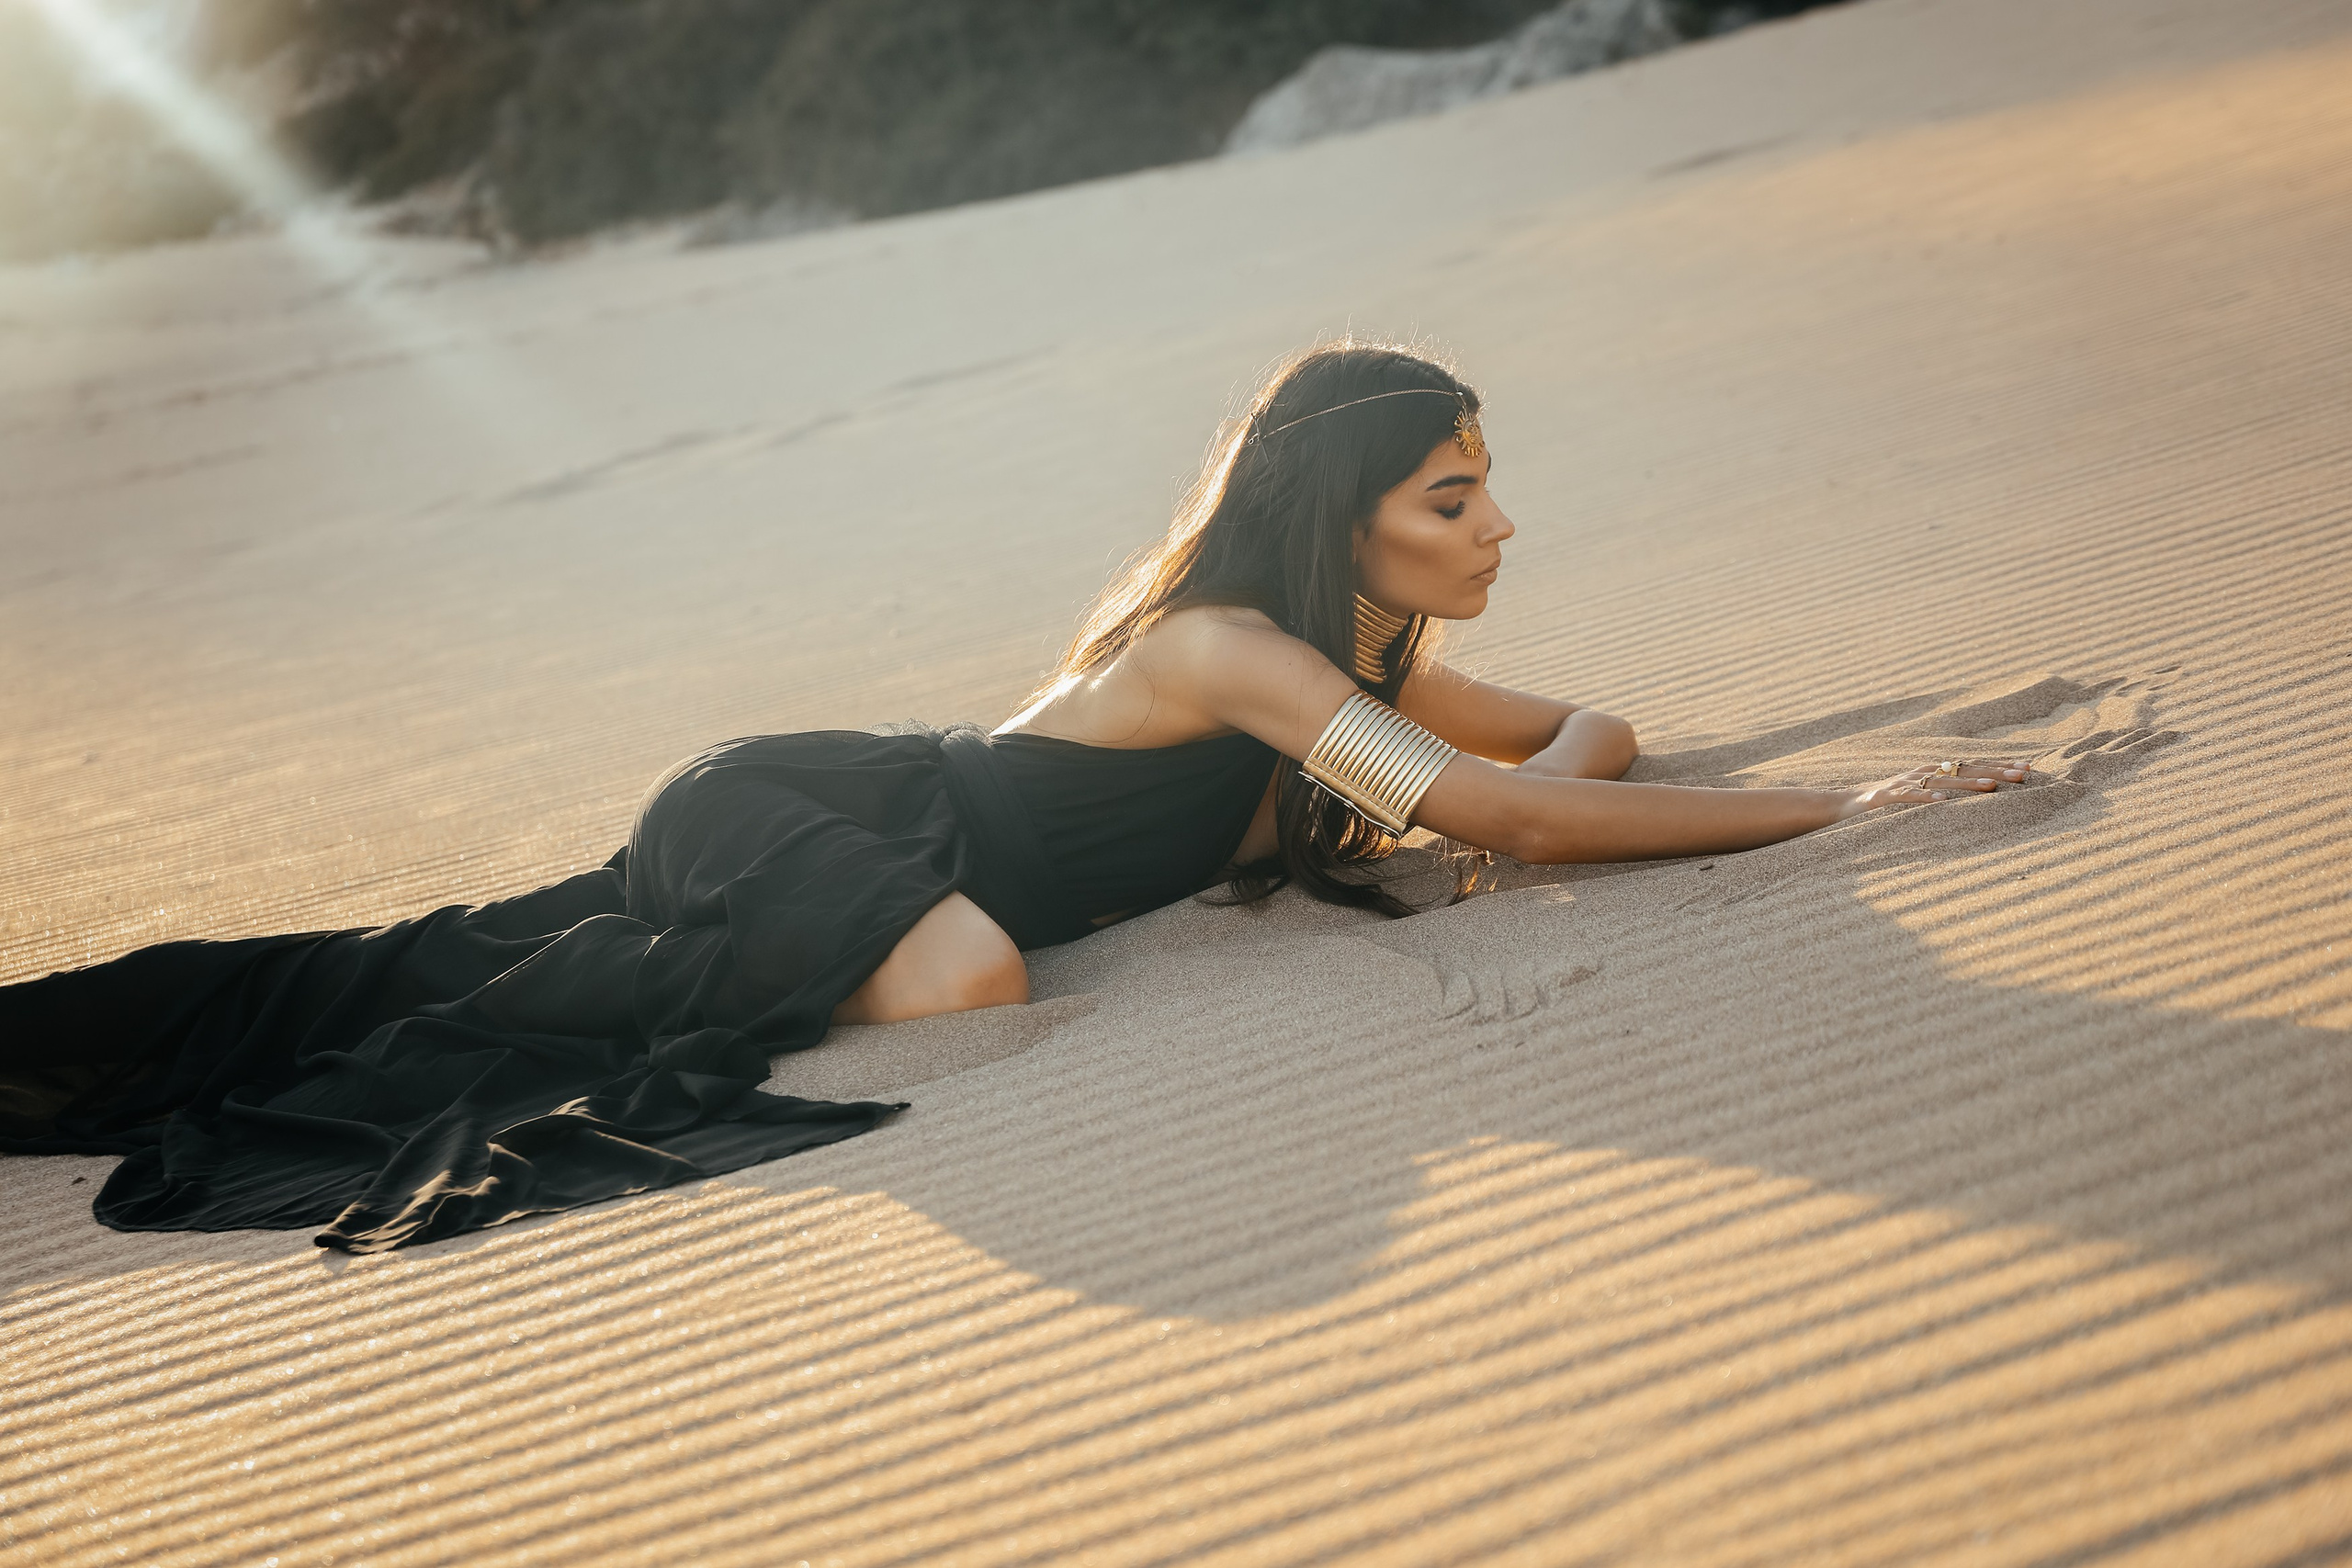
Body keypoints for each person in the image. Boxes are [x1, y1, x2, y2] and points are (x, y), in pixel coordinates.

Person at [0, 342, 2022, 1252]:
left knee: (470, 960)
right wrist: (1851, 808)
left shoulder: (1364, 670)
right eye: (1448, 492)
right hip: (823, 812)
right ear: (1349, 514)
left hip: (878, 846)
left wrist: (1471, 802)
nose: (1494, 520)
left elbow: (1576, 743)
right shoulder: (1241, 646)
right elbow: (1516, 811)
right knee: (947, 981)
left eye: (1483, 479)